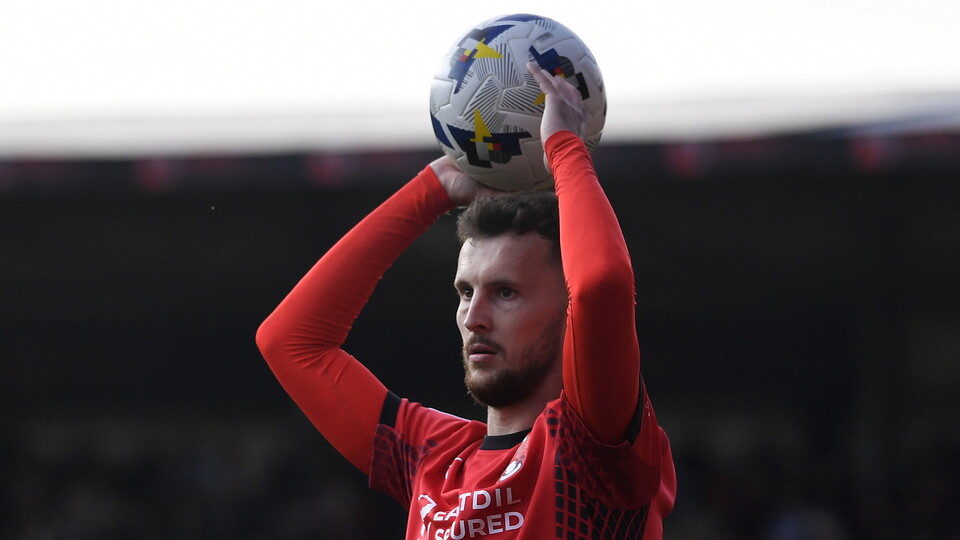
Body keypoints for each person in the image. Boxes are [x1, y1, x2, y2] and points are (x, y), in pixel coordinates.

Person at [256, 63, 676, 539]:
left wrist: (564, 146)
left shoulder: (593, 445)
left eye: (505, 292)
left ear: (569, 310)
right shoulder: (433, 457)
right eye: (465, 292)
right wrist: (429, 192)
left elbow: (602, 283)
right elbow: (289, 341)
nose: (474, 318)